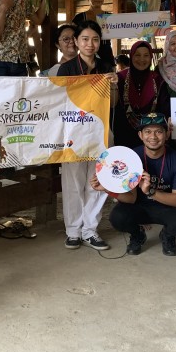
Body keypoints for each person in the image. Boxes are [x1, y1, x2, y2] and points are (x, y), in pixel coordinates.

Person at [91, 112, 176, 256]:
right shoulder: (131, 157)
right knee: (118, 217)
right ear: (140, 135)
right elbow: (131, 198)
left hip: (167, 207)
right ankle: (138, 235)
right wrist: (108, 189)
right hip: (139, 206)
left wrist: (150, 191)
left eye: (159, 131)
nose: (153, 137)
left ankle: (167, 235)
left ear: (167, 134)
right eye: (148, 132)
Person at [56, 20, 118, 250]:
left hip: (101, 131)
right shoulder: (67, 69)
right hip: (73, 131)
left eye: (94, 39)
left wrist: (114, 85)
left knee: (97, 180)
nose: (90, 44)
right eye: (84, 39)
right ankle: (73, 230)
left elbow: (114, 105)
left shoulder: (106, 68)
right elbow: (59, 102)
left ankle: (90, 230)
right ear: (76, 42)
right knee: (72, 182)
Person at [113, 40, 170, 149]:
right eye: (137, 55)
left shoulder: (158, 80)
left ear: (151, 57)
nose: (142, 59)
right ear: (131, 56)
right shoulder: (119, 78)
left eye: (146, 55)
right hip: (123, 137)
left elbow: (165, 109)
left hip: (151, 139)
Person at [71, 0, 116, 68]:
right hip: (85, 61)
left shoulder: (111, 18)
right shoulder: (79, 18)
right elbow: (72, 40)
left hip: (107, 60)